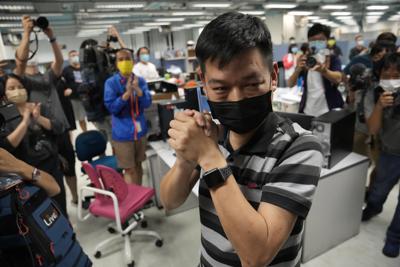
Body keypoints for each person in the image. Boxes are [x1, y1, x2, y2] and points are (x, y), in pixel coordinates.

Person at [160, 12, 324, 267]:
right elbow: (170, 200)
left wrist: (210, 158)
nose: (236, 99)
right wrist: (186, 158)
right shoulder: (211, 136)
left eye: (251, 84)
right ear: (203, 84)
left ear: (272, 77)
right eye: (221, 88)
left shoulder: (299, 147)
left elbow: (257, 256)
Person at [0, 74, 67, 215]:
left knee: (60, 203)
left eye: (20, 87)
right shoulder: (4, 118)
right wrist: (25, 121)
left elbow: (58, 127)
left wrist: (38, 118)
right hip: (29, 172)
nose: (17, 91)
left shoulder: (37, 106)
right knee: (42, 211)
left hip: (52, 164)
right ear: (4, 94)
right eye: (11, 88)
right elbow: (8, 146)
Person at [362, 52, 400, 258]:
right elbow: (373, 129)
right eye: (388, 72)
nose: (393, 77)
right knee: (378, 191)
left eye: (398, 72)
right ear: (380, 73)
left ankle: (394, 237)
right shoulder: (373, 93)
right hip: (390, 153)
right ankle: (373, 207)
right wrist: (379, 105)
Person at [104, 49, 152, 185]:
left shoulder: (140, 81)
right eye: (121, 59)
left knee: (138, 166)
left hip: (140, 131)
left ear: (133, 61)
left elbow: (147, 103)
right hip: (123, 134)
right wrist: (127, 93)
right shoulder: (111, 83)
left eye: (127, 58)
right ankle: (133, 202)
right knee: (129, 169)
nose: (124, 62)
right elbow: (112, 107)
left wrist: (137, 90)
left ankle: (140, 197)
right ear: (116, 63)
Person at [287, 23, 343, 116]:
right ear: (308, 42)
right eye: (313, 40)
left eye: (320, 40)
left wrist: (323, 70)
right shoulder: (306, 59)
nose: (316, 43)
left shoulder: (332, 58)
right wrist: (298, 69)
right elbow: (290, 84)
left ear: (327, 40)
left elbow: (338, 78)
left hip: (328, 111)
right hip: (307, 111)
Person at [62, 50, 87, 132]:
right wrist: (65, 89)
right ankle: (85, 133)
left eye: (76, 55)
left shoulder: (84, 67)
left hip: (87, 96)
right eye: (72, 55)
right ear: (69, 58)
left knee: (90, 117)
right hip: (75, 98)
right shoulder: (66, 70)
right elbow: (62, 83)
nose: (75, 57)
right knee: (80, 118)